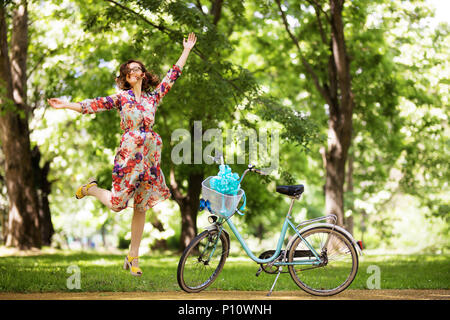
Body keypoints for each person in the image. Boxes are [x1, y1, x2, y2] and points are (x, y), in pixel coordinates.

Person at [48, 33, 197, 276]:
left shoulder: (153, 98)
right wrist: (66, 104)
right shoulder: (122, 99)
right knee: (118, 204)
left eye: (139, 69)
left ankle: (133, 257)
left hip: (150, 156)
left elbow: (173, 75)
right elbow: (92, 105)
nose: (136, 72)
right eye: (131, 70)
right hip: (130, 155)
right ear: (127, 77)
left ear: (143, 74)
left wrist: (186, 50)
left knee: (141, 206)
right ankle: (91, 189)